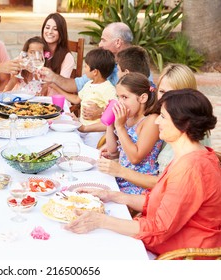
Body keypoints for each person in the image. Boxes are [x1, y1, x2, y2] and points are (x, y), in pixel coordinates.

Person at [65, 89, 221, 258]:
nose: (156, 122)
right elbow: (158, 202)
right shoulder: (188, 156)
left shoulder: (191, 168)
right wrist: (112, 195)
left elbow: (159, 229)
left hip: (183, 255)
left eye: (163, 116)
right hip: (170, 240)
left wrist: (101, 221)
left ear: (184, 124)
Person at [98, 63, 210, 189]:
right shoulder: (159, 118)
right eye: (161, 91)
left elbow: (167, 184)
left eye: (172, 93)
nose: (164, 98)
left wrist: (120, 171)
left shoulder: (188, 131)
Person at [42, 22, 133, 119]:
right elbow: (76, 85)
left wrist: (102, 112)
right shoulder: (102, 65)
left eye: (103, 40)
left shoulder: (134, 66)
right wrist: (53, 77)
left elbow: (134, 108)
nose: (100, 44)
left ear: (118, 42)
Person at [105, 72, 162, 194]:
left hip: (138, 185)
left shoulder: (151, 121)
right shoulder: (128, 118)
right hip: (121, 178)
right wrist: (110, 123)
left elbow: (135, 158)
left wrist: (120, 127)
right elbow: (112, 151)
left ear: (143, 98)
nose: (120, 102)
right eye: (118, 97)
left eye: (124, 97)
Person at [54, 48, 116, 147]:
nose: (84, 69)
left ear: (95, 72)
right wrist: (55, 88)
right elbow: (76, 99)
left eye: (86, 66)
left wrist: (100, 112)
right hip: (82, 126)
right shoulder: (88, 84)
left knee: (88, 152)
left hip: (96, 131)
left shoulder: (108, 89)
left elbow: (113, 112)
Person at [41, 13, 75, 96]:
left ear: (61, 32)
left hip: (56, 96)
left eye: (55, 29)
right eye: (47, 27)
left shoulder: (67, 57)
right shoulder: (38, 49)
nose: (50, 32)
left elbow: (63, 84)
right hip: (37, 93)